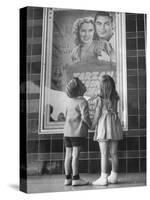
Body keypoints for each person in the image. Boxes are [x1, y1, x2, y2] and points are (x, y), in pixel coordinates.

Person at [91, 75, 123, 186]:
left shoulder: (99, 100)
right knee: (114, 153)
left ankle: (103, 177)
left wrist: (92, 125)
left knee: (104, 154)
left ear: (101, 88)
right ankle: (114, 176)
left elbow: (97, 115)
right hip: (114, 126)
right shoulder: (115, 98)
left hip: (104, 127)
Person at [64, 77, 92, 186]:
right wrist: (91, 125)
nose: (84, 83)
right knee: (75, 155)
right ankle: (76, 178)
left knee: (68, 155)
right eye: (82, 83)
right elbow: (85, 118)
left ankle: (67, 178)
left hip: (67, 132)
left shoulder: (69, 101)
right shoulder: (83, 101)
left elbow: (66, 115)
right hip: (77, 133)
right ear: (79, 89)